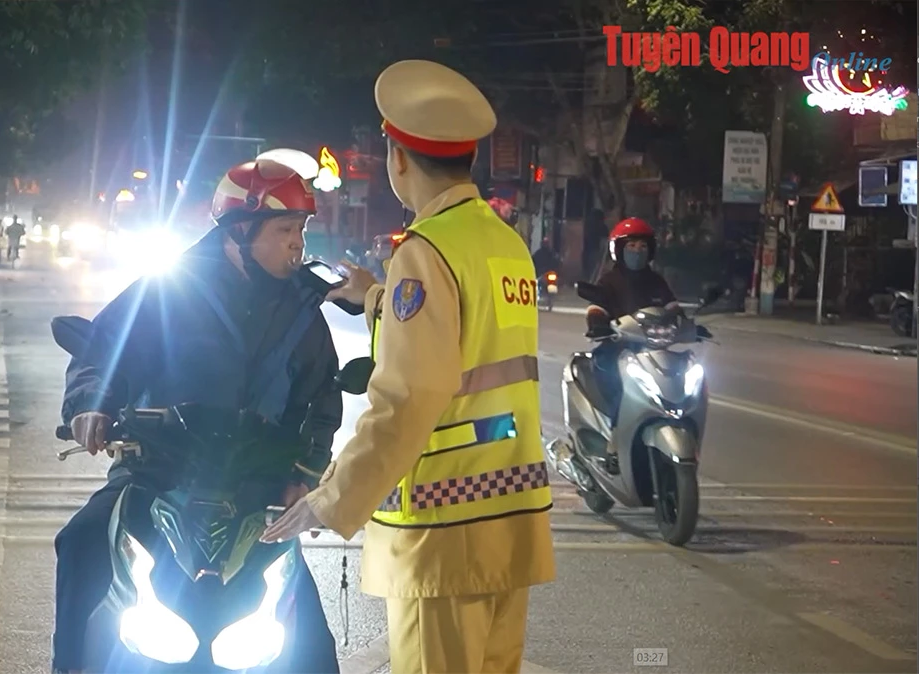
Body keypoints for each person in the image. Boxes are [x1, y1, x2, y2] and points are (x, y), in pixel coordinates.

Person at [262, 59, 555, 674]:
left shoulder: (426, 251)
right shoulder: (504, 243)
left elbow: (410, 395)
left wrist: (333, 498)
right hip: (511, 518)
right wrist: (375, 297)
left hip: (444, 525)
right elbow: (467, 340)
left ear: (397, 159)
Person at [54, 158, 342, 674]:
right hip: (158, 472)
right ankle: (67, 667)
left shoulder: (304, 310)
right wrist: (91, 403)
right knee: (80, 541)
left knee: (309, 633)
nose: (297, 244)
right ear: (240, 230)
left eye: (301, 230)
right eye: (284, 230)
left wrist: (304, 475)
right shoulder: (169, 290)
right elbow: (103, 350)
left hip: (256, 484)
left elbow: (322, 400)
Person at [585, 217, 679, 467]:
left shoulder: (657, 281)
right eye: (631, 246)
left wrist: (688, 324)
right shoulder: (609, 281)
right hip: (617, 349)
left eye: (643, 246)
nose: (637, 251)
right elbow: (596, 307)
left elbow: (672, 308)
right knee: (618, 387)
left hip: (653, 350)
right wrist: (598, 323)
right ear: (619, 249)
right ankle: (615, 441)